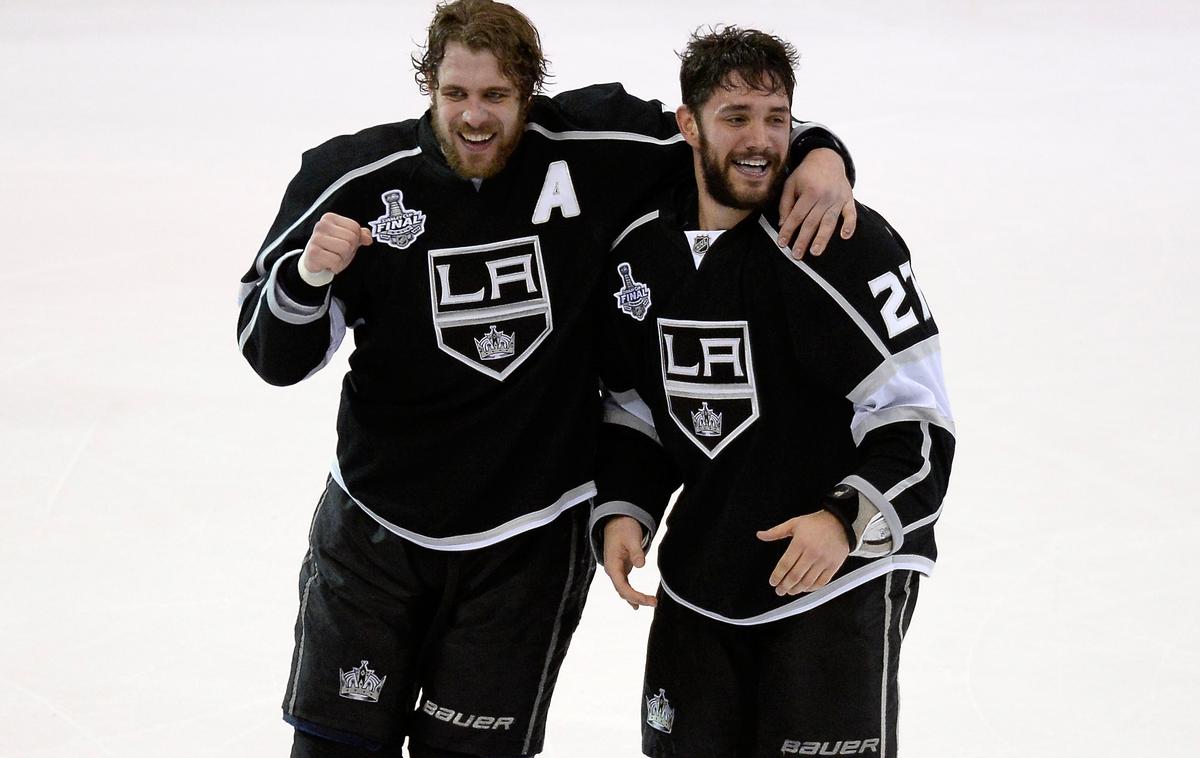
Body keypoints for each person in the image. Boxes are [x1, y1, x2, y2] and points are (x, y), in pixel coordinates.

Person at [236, 1, 856, 756]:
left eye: (496, 97)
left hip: (528, 543)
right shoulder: (353, 178)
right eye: (456, 94)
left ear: (531, 94)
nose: (474, 117)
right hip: (375, 534)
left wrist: (822, 151)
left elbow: (727, 132)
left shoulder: (594, 145)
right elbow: (272, 357)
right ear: (428, 87)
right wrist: (306, 277)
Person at [594, 26, 955, 758]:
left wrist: (844, 519)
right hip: (703, 581)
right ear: (688, 125)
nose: (760, 140)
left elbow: (922, 429)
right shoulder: (642, 252)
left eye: (776, 119)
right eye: (735, 118)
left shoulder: (841, 242)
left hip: (834, 582)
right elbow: (637, 401)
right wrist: (626, 506)